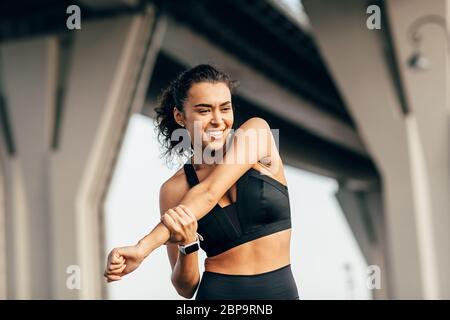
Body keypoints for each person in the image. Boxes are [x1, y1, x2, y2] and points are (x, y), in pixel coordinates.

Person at [104, 64, 299, 300]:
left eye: (225, 108)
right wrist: (188, 244)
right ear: (180, 116)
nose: (218, 120)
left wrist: (142, 248)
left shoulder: (256, 134)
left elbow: (209, 192)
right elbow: (185, 288)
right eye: (204, 110)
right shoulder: (174, 189)